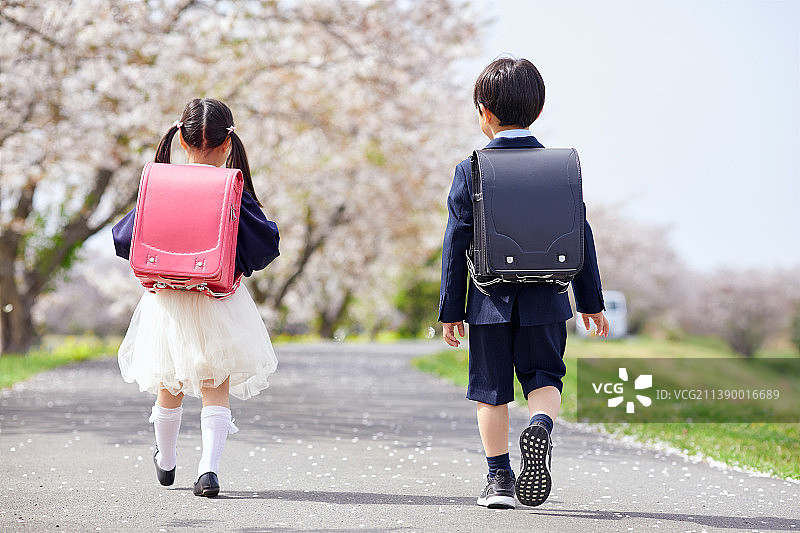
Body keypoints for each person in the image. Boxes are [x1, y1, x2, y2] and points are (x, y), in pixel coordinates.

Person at [439, 57, 609, 510]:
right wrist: (591, 300)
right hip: (548, 298)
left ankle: (498, 480)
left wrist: (450, 309)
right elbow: (581, 234)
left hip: (489, 299)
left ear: (485, 113)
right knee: (544, 376)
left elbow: (457, 241)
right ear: (537, 109)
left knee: (491, 390)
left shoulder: (471, 167)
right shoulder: (560, 168)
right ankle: (541, 426)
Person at [112, 98, 280, 498]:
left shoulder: (162, 183)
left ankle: (166, 461)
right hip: (217, 300)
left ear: (182, 143)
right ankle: (208, 469)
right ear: (227, 144)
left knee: (168, 378)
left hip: (166, 302)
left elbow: (124, 238)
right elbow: (263, 245)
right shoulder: (232, 187)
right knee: (214, 379)